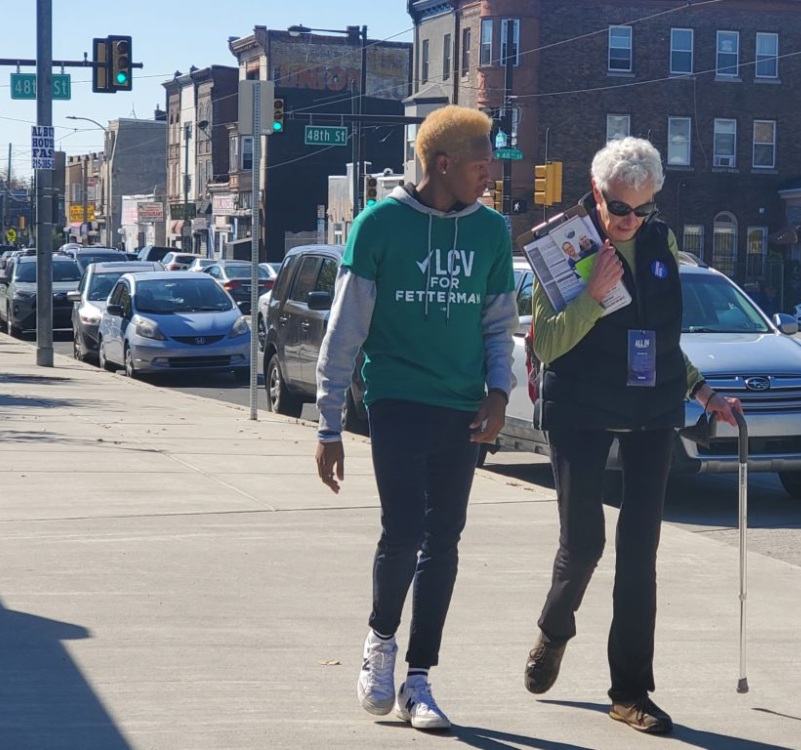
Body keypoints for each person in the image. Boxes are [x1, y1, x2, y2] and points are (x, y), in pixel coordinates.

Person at [523, 137, 742, 735]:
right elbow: (544, 345)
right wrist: (592, 297)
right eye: (621, 209)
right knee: (585, 544)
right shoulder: (562, 247)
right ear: (597, 194)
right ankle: (554, 629)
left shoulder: (660, 243)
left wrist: (703, 394)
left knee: (639, 554)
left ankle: (630, 690)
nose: (631, 221)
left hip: (652, 408)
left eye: (644, 211)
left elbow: (663, 339)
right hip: (581, 408)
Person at [314, 105, 518, 732]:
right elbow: (346, 329)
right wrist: (327, 424)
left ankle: (420, 679)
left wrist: (499, 393)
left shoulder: (492, 232)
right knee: (403, 529)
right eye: (482, 164)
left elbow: (498, 322)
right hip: (397, 398)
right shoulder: (379, 226)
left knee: (445, 541)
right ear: (444, 163)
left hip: (462, 405)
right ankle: (380, 644)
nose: (491, 175)